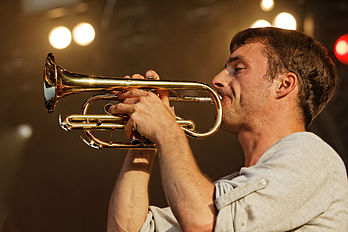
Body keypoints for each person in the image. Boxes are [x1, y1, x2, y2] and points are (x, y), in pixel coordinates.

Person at [106, 27, 348, 231]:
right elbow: (128, 228)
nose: (217, 79)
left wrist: (166, 129)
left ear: (284, 85)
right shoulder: (236, 188)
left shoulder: (312, 156)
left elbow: (204, 222)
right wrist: (144, 141)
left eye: (238, 69)